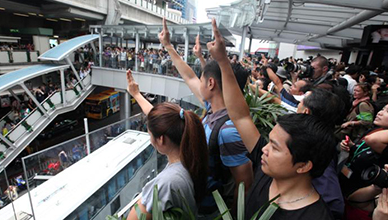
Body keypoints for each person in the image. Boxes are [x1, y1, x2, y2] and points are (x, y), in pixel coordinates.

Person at [207, 18, 336, 219]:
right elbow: (240, 116)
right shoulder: (269, 168)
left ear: (303, 165)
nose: (264, 149)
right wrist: (223, 61)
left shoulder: (315, 216)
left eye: (275, 147)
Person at [158, 18, 253, 217]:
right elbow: (189, 77)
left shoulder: (228, 130)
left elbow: (244, 183)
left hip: (211, 212)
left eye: (202, 79)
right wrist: (167, 46)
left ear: (211, 83)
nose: (197, 81)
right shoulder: (213, 109)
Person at [125, 70, 209, 219]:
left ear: (161, 139)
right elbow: (162, 122)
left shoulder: (167, 182)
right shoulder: (190, 157)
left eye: (150, 134)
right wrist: (136, 94)